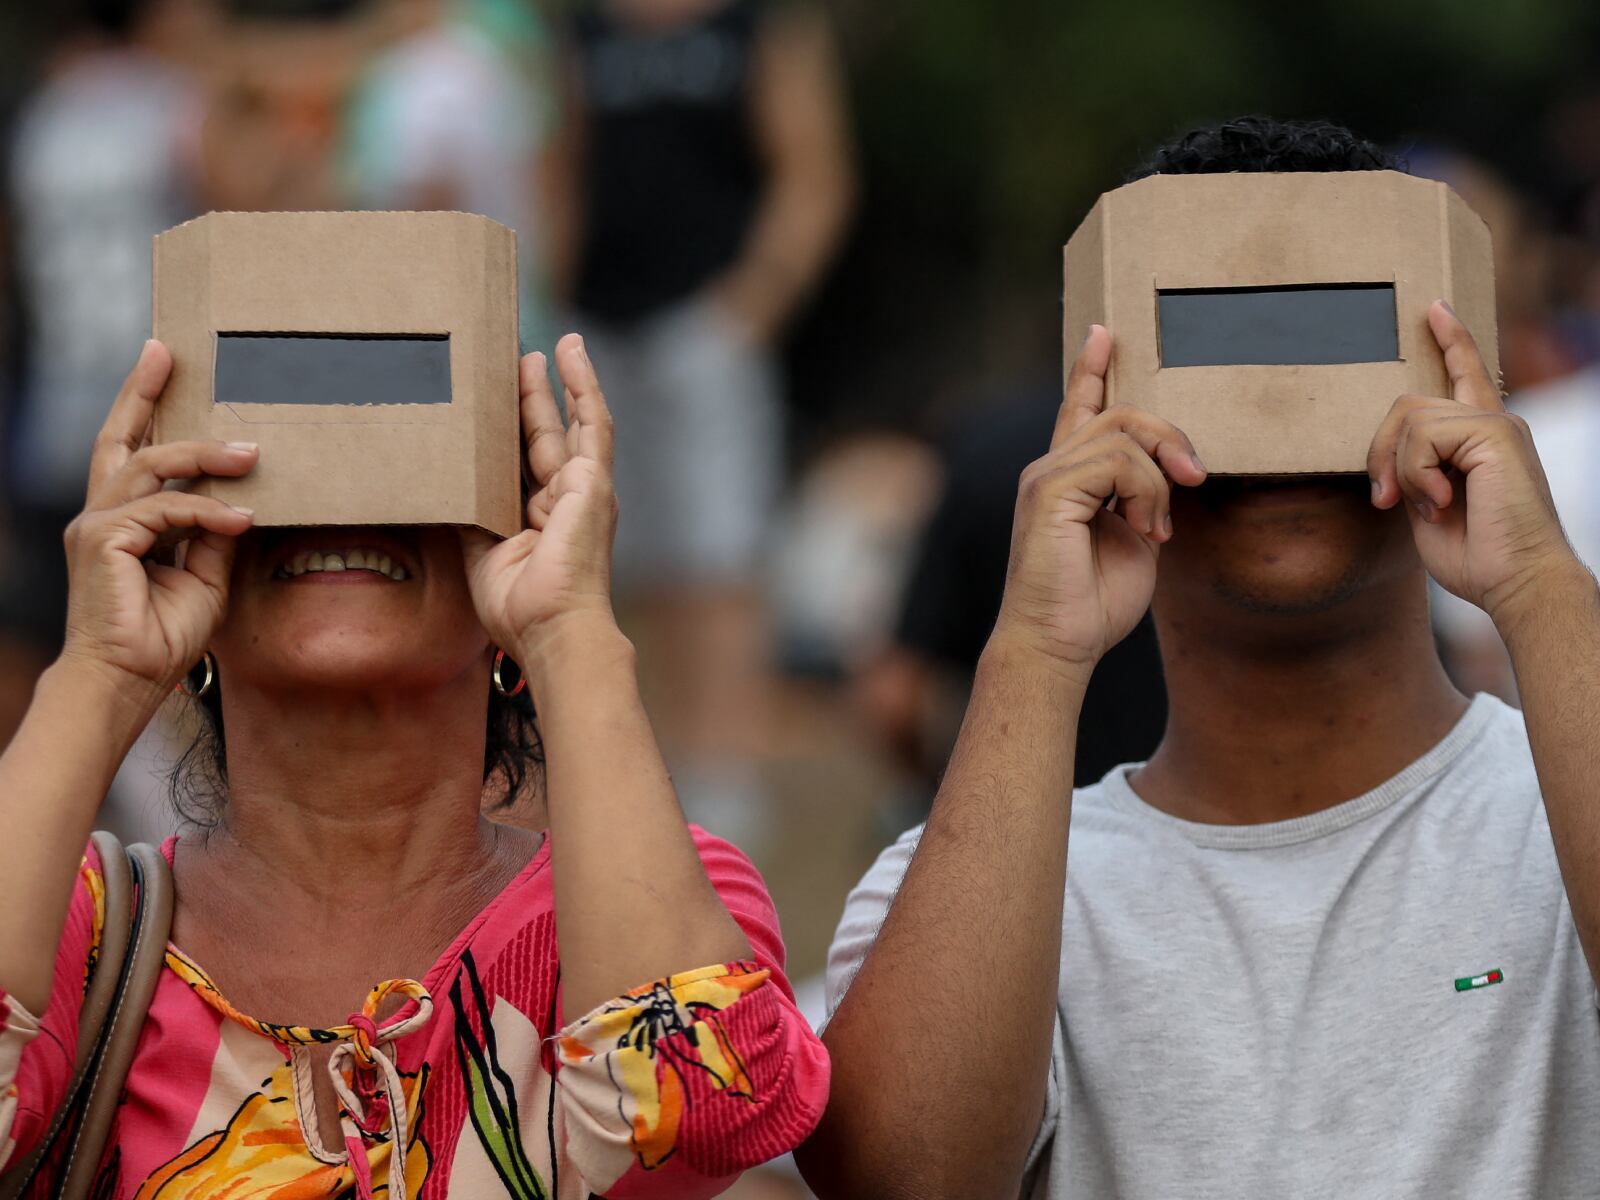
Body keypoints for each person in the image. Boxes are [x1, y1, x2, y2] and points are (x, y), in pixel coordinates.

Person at [799, 117, 1600, 1197]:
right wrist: (1032, 652)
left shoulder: (1557, 822)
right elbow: (903, 1177)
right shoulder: (976, 890)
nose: (1274, 404)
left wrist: (1541, 589)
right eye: (1207, 341)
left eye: (1339, 338)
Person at [0, 336, 828, 1194]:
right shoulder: (77, 929)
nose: (342, 505)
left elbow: (709, 1113)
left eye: (409, 466)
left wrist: (569, 632)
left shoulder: (650, 903)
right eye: (277, 471)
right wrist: (100, 667)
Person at [543, 0, 855, 838]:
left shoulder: (756, 24)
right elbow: (563, 166)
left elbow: (814, 174)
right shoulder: (584, 27)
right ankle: (652, 773)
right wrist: (544, 301)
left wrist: (748, 310)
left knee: (717, 560)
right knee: (623, 558)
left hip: (707, 324)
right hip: (597, 325)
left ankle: (724, 790)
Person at [0, 0, 200, 753]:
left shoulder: (42, 116)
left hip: (59, 405)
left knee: (64, 629)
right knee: (167, 636)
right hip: (157, 408)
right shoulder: (176, 103)